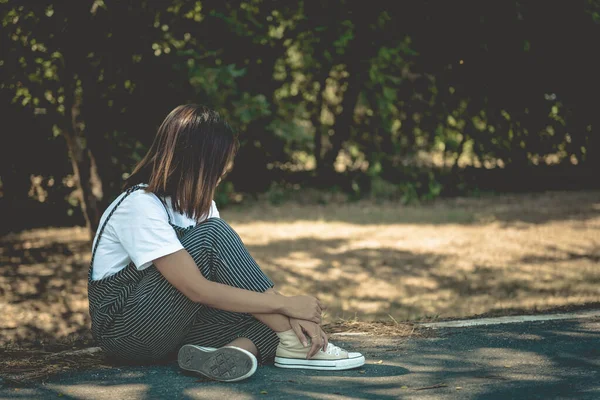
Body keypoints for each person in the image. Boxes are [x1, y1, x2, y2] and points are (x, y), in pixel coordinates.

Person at [88, 104, 365, 382]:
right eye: (223, 160)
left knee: (259, 312)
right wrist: (287, 307)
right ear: (199, 160)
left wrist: (292, 314)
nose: (227, 168)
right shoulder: (139, 204)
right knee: (215, 238)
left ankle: (232, 353)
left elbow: (235, 282)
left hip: (173, 327)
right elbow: (196, 289)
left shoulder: (199, 206)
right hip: (125, 332)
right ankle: (295, 345)